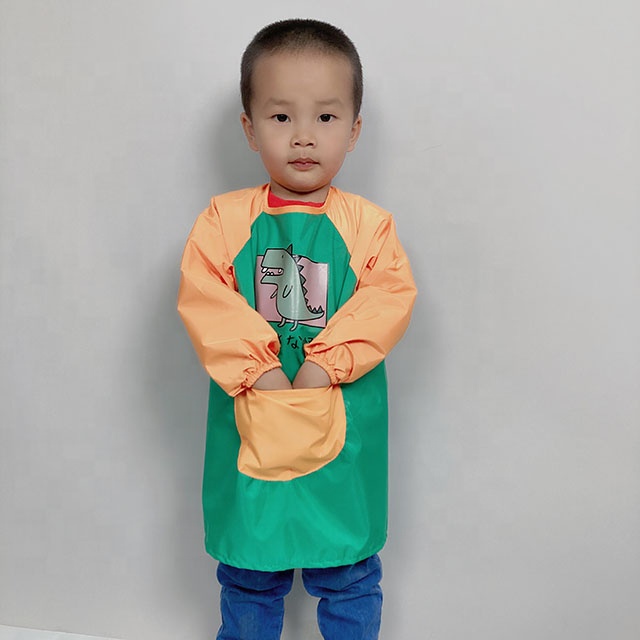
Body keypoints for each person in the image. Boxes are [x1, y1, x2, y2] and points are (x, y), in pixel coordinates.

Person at [177, 18, 416, 640]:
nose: (304, 136)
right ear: (249, 127)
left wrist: (324, 363)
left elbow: (386, 298)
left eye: (326, 117)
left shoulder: (369, 226)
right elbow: (207, 298)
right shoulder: (223, 221)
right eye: (281, 116)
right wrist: (259, 367)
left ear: (354, 131)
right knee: (250, 573)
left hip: (344, 428)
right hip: (251, 424)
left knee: (349, 572)